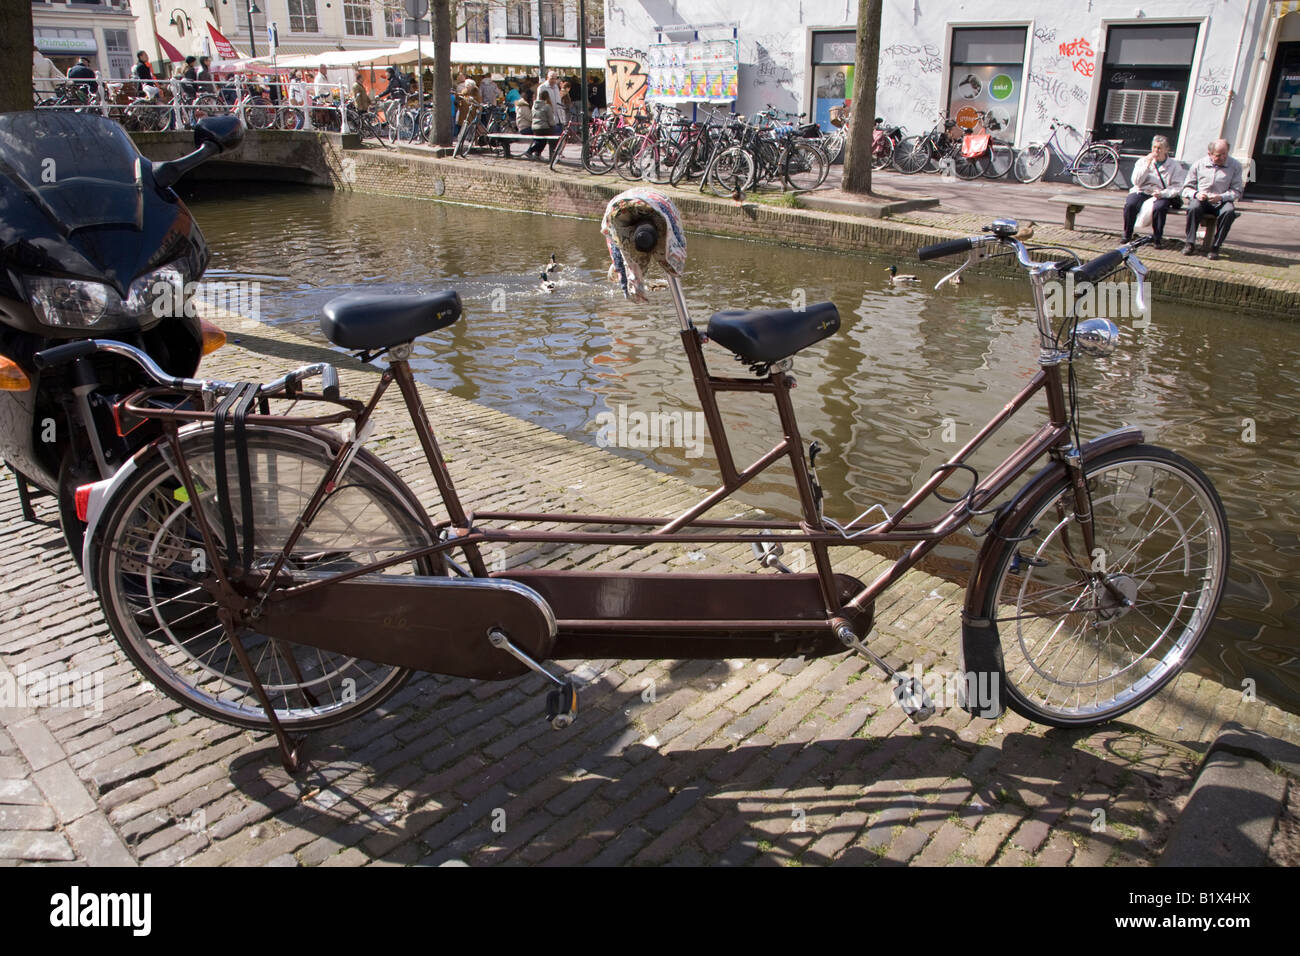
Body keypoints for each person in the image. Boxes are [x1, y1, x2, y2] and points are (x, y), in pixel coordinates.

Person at [1180, 139, 1244, 260]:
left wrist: (1221, 196)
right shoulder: (1199, 164)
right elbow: (1186, 188)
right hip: (1202, 200)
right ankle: (1190, 243)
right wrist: (1196, 194)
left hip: (1222, 200)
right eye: (1218, 155)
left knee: (1229, 212)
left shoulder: (1235, 166)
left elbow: (1237, 191)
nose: (1223, 157)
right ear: (1209, 154)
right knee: (1193, 207)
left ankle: (1215, 247)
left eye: (1225, 154)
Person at [1122, 135, 1184, 248]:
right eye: (1154, 147)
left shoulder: (1174, 166)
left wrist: (1163, 193)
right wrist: (1147, 164)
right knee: (1130, 204)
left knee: (1160, 208)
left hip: (1161, 193)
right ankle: (1127, 234)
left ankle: (1157, 238)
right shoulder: (1142, 161)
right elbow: (1136, 181)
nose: (1156, 151)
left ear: (1166, 149)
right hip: (1143, 190)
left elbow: (1177, 186)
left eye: (1159, 148)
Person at [526, 88, 556, 159]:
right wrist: (553, 125)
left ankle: (537, 153)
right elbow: (551, 120)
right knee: (554, 134)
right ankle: (530, 151)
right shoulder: (547, 106)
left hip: (534, 128)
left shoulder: (534, 106)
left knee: (541, 141)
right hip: (543, 128)